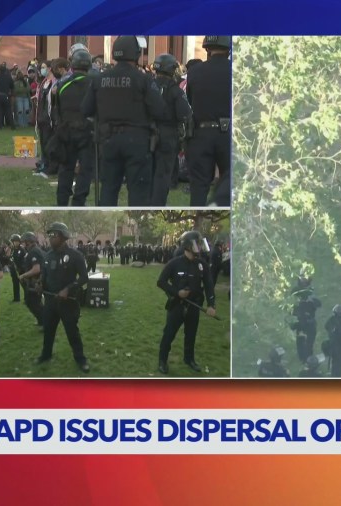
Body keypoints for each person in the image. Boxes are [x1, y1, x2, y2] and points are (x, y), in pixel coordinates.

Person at [81, 36, 166, 206]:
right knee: (138, 191)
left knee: (108, 189)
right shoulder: (143, 79)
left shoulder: (100, 79)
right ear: (135, 54)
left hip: (108, 140)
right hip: (138, 141)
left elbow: (86, 109)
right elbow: (159, 110)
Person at [156, 231, 217, 374]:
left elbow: (208, 285)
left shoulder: (202, 264)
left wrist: (211, 305)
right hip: (177, 306)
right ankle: (162, 360)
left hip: (194, 306)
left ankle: (189, 359)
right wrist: (177, 292)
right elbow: (161, 282)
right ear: (187, 246)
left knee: (191, 335)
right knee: (169, 334)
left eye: (200, 244)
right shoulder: (174, 263)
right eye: (196, 244)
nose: (199, 247)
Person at [35, 222, 91, 372]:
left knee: (72, 332)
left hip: (68, 302)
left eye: (54, 235)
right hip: (50, 302)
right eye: (50, 235)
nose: (51, 238)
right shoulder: (47, 255)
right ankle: (46, 355)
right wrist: (40, 284)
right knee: (48, 330)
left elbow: (84, 278)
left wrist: (68, 289)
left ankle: (80, 359)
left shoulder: (75, 255)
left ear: (63, 236)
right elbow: (44, 276)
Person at [185, 36, 232, 206]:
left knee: (198, 186)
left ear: (207, 49)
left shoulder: (194, 71)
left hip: (201, 133)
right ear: (228, 49)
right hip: (227, 135)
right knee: (229, 184)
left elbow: (190, 101)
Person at [54, 49, 96, 206]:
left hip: (66, 133)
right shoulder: (93, 85)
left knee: (65, 169)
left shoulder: (63, 85)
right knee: (85, 171)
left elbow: (57, 111)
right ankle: (79, 201)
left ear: (72, 65)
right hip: (87, 133)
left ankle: (62, 200)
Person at [151, 53, 192, 205]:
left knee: (149, 171)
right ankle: (158, 203)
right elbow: (185, 114)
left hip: (148, 133)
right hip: (168, 135)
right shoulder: (175, 90)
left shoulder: (148, 86)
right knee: (163, 174)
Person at [291, 276, 322, 363]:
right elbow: (290, 306)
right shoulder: (295, 292)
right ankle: (302, 360)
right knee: (300, 342)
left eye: (305, 280)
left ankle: (309, 360)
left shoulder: (311, 292)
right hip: (300, 322)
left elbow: (318, 304)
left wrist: (311, 300)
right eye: (302, 280)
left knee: (309, 343)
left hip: (310, 322)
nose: (304, 281)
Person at [17, 232, 44, 327]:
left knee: (33, 303)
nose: (22, 244)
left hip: (36, 281)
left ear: (28, 242)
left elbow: (36, 269)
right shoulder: (34, 250)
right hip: (35, 281)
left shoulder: (34, 252)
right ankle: (42, 321)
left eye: (23, 242)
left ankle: (45, 322)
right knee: (33, 302)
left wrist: (23, 275)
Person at [0, 63, 15, 130]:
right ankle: (12, 126)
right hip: (6, 96)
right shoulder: (8, 77)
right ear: (5, 70)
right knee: (9, 111)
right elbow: (12, 86)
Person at [9, 234, 25, 303]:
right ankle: (16, 298)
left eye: (17, 241)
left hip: (21, 270)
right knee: (15, 284)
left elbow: (24, 260)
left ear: (19, 242)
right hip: (14, 270)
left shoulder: (22, 250)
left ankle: (27, 298)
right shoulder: (12, 250)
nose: (15, 243)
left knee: (24, 285)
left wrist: (21, 268)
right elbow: (11, 258)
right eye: (14, 241)